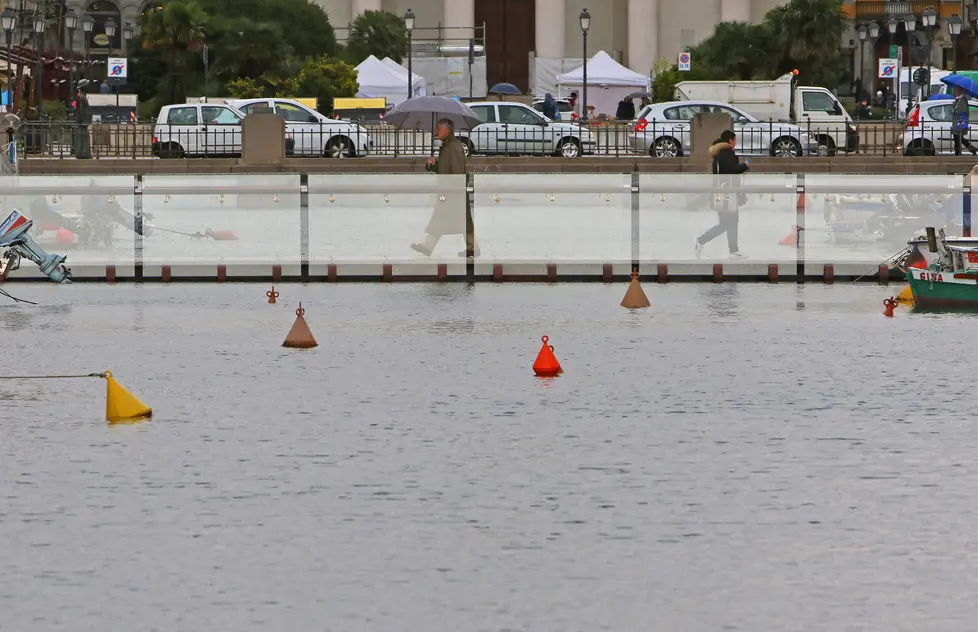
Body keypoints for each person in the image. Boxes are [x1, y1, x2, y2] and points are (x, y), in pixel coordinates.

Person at [410, 118, 478, 258]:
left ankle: (429, 247)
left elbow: (457, 170)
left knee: (452, 219)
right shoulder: (448, 146)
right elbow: (444, 169)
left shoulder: (453, 147)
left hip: (452, 191)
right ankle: (472, 248)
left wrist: (453, 188)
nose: (436, 132)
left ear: (446, 130)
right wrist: (432, 165)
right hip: (451, 190)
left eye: (438, 129)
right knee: (460, 220)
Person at [695, 130, 749, 258]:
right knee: (729, 222)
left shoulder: (719, 153)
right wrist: (744, 166)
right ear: (730, 140)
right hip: (727, 193)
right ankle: (704, 241)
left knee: (728, 222)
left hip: (724, 192)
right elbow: (730, 171)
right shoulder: (726, 153)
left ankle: (732, 249)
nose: (735, 143)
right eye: (735, 140)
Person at [952, 85, 976, 156]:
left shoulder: (963, 99)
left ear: (960, 91)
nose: (955, 92)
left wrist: (956, 110)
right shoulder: (957, 99)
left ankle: (958, 152)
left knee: (958, 137)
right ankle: (970, 149)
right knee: (958, 138)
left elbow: (964, 111)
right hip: (956, 122)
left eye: (956, 90)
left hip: (960, 122)